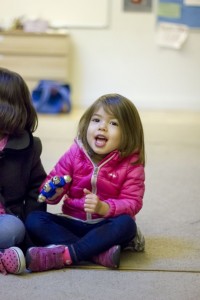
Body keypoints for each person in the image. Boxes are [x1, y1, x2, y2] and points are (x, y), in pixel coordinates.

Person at [25, 93, 145, 272]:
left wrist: (104, 208)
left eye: (113, 123)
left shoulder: (131, 163)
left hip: (105, 226)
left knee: (127, 225)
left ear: (128, 133)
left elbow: (133, 202)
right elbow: (50, 185)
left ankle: (66, 255)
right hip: (73, 221)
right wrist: (52, 192)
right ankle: (97, 253)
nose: (102, 127)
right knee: (34, 220)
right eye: (96, 120)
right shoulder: (75, 153)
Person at [0, 67, 47, 275]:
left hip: (6, 220)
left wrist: (31, 230)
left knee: (15, 229)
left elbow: (37, 189)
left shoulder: (29, 148)